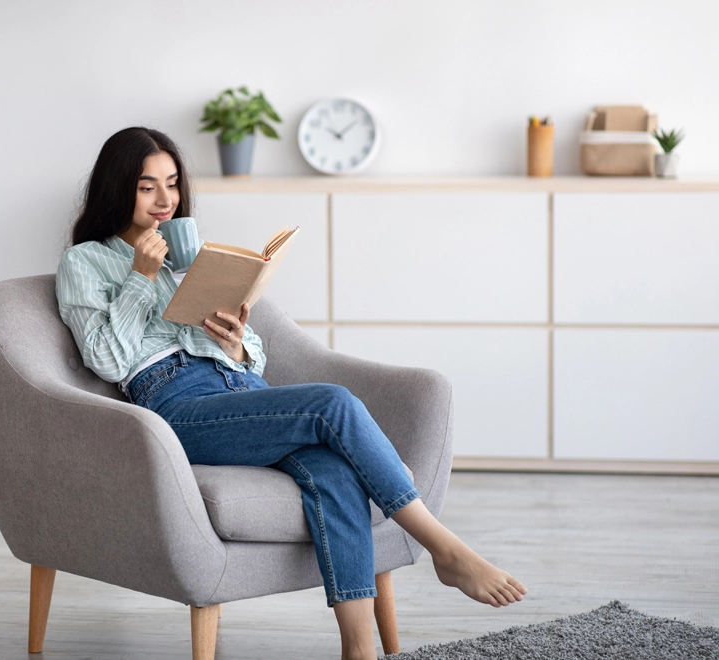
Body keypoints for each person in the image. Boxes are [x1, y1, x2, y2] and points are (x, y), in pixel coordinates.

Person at [56, 126, 527, 660]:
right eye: (148, 187)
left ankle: (358, 650)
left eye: (172, 184)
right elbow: (107, 359)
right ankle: (446, 548)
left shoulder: (184, 256)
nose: (167, 200)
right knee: (333, 401)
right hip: (176, 405)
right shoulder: (85, 262)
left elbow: (253, 353)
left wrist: (236, 342)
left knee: (335, 470)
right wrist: (141, 277)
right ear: (118, 188)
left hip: (237, 388)